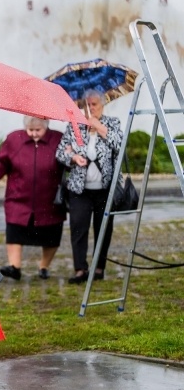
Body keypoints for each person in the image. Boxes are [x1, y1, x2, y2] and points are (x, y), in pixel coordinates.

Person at [55, 89, 122, 284]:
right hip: (79, 189)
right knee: (78, 228)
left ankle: (99, 267)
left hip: (105, 188)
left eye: (94, 105)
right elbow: (60, 153)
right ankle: (80, 269)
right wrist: (73, 157)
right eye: (87, 105)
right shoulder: (74, 126)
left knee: (103, 228)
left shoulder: (112, 124)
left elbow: (120, 144)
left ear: (102, 105)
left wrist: (100, 127)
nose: (90, 108)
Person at [0, 116, 66, 280]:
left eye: (38, 130)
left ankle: (44, 266)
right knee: (14, 232)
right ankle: (15, 267)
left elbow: (66, 163)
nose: (34, 134)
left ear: (46, 126)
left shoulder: (57, 139)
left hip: (49, 200)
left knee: (51, 237)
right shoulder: (14, 139)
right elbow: (0, 165)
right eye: (31, 130)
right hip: (18, 198)